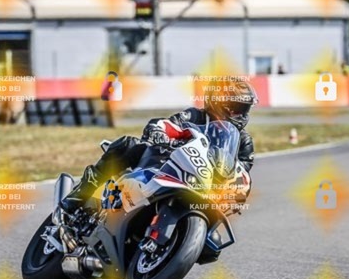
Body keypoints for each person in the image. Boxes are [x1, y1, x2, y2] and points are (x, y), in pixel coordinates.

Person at [60, 78, 258, 214]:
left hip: (205, 193)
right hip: (169, 168)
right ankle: (80, 195)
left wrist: (237, 193)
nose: (242, 115)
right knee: (128, 145)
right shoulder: (194, 116)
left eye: (245, 109)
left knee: (211, 248)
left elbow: (241, 173)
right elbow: (167, 124)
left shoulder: (244, 142)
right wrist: (159, 132)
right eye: (237, 108)